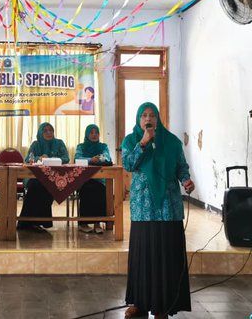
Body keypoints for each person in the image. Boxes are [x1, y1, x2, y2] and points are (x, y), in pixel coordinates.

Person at [121, 103, 196, 319]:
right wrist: (143, 142)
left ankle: (163, 305)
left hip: (168, 207)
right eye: (144, 115)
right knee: (143, 255)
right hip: (143, 207)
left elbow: (181, 167)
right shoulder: (130, 140)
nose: (148, 118)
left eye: (152, 115)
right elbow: (128, 164)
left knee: (166, 255)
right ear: (138, 119)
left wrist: (186, 180)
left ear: (158, 118)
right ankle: (140, 303)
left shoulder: (171, 142)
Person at [18, 122, 70, 232]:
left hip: (53, 177)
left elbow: (66, 158)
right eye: (45, 130)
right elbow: (28, 159)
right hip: (35, 177)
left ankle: (40, 221)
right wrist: (39, 157)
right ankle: (27, 222)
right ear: (40, 132)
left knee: (48, 185)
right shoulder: (36, 144)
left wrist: (51, 159)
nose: (48, 132)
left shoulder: (59, 143)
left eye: (50, 130)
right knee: (35, 185)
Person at [74, 124, 111, 234]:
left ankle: (97, 223)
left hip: (99, 180)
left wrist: (98, 158)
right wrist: (91, 159)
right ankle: (83, 223)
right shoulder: (81, 146)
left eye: (96, 133)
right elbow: (77, 158)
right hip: (83, 180)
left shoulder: (103, 146)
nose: (94, 135)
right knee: (87, 189)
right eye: (91, 132)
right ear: (87, 134)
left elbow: (107, 157)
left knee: (100, 190)